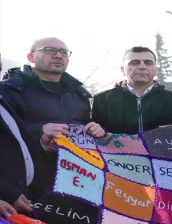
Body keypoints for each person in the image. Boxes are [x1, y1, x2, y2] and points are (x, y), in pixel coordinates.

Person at [0, 37, 105, 186]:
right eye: (50, 50)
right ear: (30, 57)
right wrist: (39, 133)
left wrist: (97, 130)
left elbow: (87, 126)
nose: (58, 55)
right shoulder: (8, 89)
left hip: (78, 180)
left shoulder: (80, 93)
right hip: (29, 183)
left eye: (64, 52)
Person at [92, 47, 172, 135]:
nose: (142, 67)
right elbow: (96, 135)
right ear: (123, 69)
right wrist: (100, 131)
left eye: (148, 63)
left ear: (155, 70)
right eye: (134, 63)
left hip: (163, 157)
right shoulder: (102, 100)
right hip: (118, 157)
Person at [0, 93, 47, 218]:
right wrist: (7, 193)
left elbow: (15, 144)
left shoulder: (2, 100)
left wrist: (41, 144)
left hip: (24, 201)